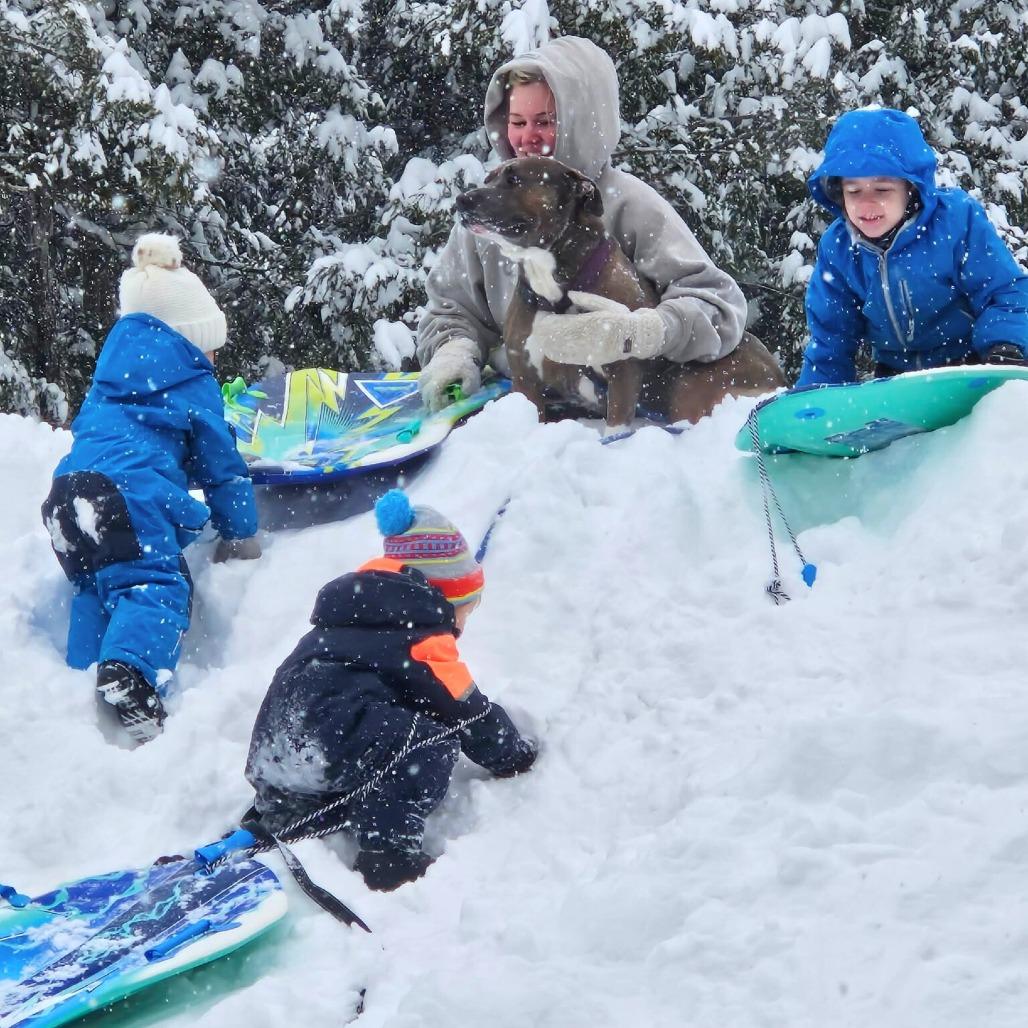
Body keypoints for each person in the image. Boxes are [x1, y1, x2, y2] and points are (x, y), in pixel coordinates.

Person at [416, 35, 783, 418]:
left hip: (636, 423)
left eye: (545, 121)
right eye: (517, 122)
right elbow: (452, 308)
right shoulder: (491, 215)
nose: (528, 138)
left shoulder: (630, 205)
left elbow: (718, 306)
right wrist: (454, 353)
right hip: (538, 424)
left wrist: (650, 330)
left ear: (582, 123)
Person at [244, 489, 537, 892]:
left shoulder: (346, 619)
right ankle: (388, 855)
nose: (465, 623)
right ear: (442, 596)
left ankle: (288, 813)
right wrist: (513, 755)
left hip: (274, 743)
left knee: (375, 731)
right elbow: (467, 712)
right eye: (467, 608)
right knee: (427, 744)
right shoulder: (422, 638)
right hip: (328, 737)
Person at [41, 233, 260, 745]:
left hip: (67, 495)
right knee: (152, 585)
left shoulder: (111, 375)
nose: (213, 357)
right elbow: (223, 469)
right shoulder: (189, 379)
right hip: (126, 499)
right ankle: (128, 673)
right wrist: (240, 534)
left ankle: (79, 675)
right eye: (210, 345)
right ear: (186, 338)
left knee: (97, 586)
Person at [798, 107, 1028, 386]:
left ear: (911, 189)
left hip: (970, 366)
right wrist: (817, 395)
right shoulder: (839, 248)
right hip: (898, 380)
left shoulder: (956, 222)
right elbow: (831, 333)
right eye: (853, 191)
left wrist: (1003, 348)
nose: (866, 204)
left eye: (882, 190)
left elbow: (1002, 291)